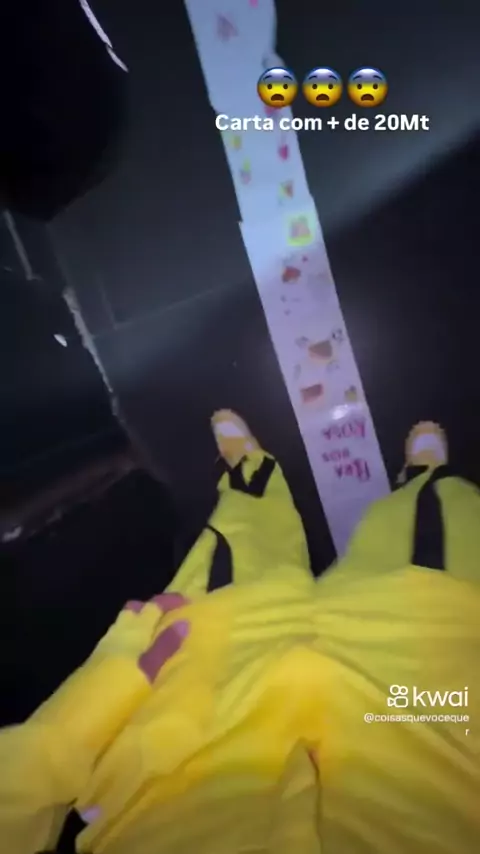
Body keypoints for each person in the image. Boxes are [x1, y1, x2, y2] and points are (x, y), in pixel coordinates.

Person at [0, 412, 479, 853]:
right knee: (438, 543)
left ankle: (251, 477)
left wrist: (88, 706)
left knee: (233, 550)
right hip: (421, 727)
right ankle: (425, 479)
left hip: (191, 750)